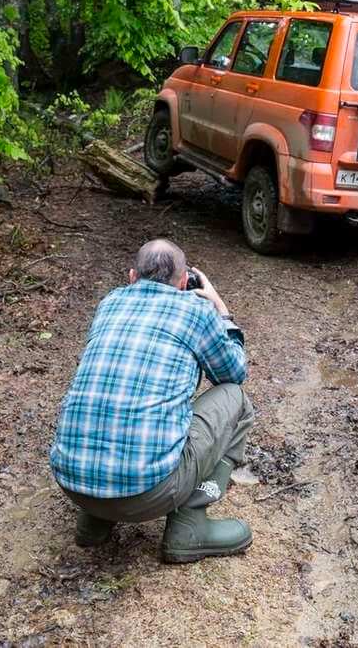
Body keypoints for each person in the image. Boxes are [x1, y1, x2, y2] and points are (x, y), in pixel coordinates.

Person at [49, 239, 255, 564]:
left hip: (72, 484)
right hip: (147, 494)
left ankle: (95, 521)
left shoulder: (110, 302)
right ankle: (190, 527)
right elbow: (233, 373)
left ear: (132, 277)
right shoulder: (198, 310)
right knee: (237, 400)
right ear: (186, 283)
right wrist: (222, 311)